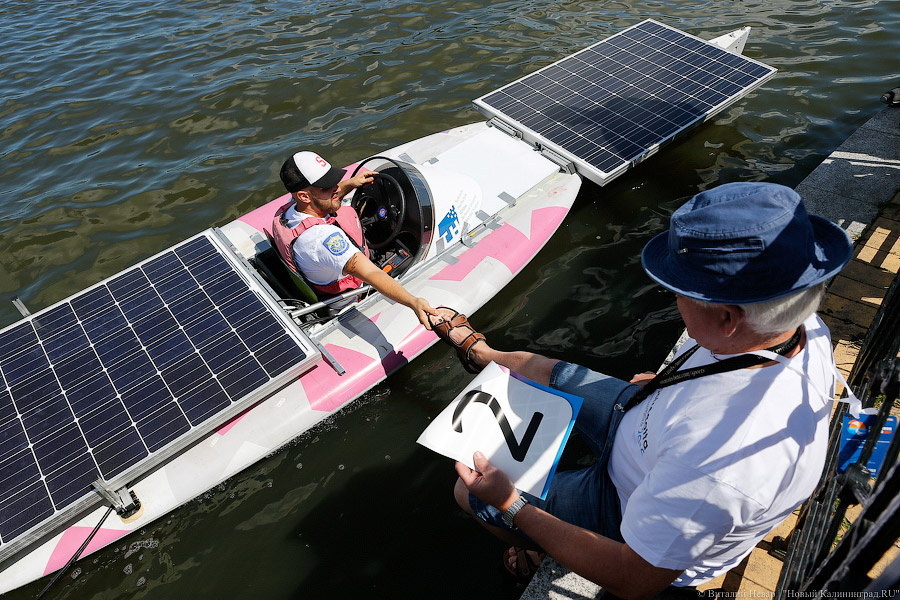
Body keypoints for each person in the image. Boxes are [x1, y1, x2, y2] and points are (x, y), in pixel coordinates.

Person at [432, 182, 853, 598]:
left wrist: (512, 504)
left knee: (468, 491)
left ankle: (532, 550)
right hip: (653, 421)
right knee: (545, 370)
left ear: (727, 319)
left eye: (681, 290)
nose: (671, 295)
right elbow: (729, 377)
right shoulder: (793, 321)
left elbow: (633, 579)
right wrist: (671, 384)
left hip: (622, 503)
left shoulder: (719, 466)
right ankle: (486, 353)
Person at [271, 150, 440, 327]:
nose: (336, 187)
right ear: (304, 196)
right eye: (327, 186)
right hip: (349, 298)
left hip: (319, 267)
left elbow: (320, 200)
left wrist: (351, 184)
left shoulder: (288, 212)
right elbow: (372, 273)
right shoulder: (322, 239)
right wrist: (414, 302)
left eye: (333, 181)